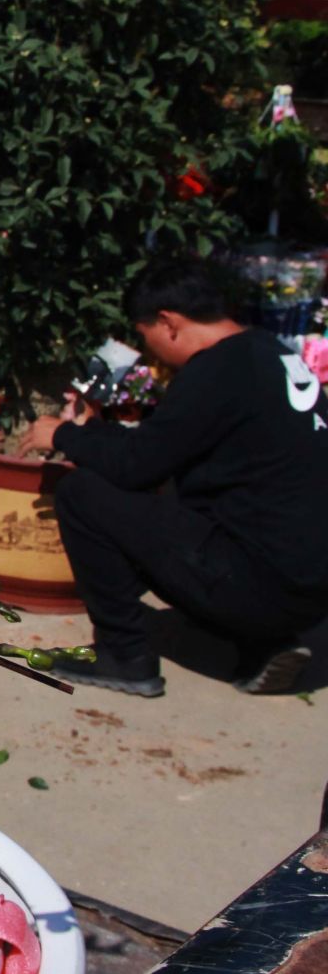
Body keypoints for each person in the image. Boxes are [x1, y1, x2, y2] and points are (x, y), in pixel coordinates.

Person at [19, 257, 328, 697]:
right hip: (311, 591)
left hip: (262, 588)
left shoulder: (216, 370)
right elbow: (167, 446)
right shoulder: (270, 352)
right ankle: (264, 641)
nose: (150, 354)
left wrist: (63, 434)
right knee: (200, 502)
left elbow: (135, 465)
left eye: (146, 338)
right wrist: (97, 432)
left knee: (82, 492)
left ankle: (123, 655)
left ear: (168, 323)